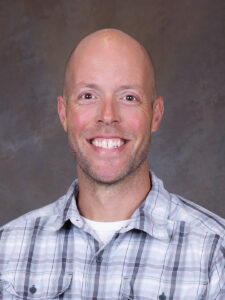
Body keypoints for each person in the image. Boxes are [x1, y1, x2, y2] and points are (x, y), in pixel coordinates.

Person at [0, 29, 224, 300]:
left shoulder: (216, 254)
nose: (108, 116)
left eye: (128, 97)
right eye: (88, 96)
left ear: (156, 115)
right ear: (63, 113)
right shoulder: (7, 251)